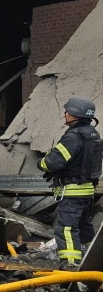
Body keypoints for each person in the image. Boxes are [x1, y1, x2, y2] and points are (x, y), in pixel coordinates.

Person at [38, 96, 102, 269]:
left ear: (75, 114)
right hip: (87, 191)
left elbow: (52, 163)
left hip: (72, 191)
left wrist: (41, 162)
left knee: (66, 228)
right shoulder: (93, 134)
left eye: (67, 111)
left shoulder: (73, 137)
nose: (64, 114)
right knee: (83, 226)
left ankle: (71, 264)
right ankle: (91, 261)